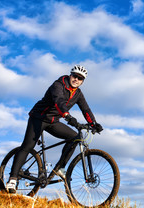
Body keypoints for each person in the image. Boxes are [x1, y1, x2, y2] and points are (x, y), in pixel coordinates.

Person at [6, 65, 103, 193]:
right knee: (28, 146)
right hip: (38, 118)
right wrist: (67, 116)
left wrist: (94, 123)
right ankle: (12, 179)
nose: (76, 80)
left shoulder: (78, 93)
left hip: (53, 121)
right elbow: (59, 102)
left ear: (82, 81)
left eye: (80, 78)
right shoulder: (58, 85)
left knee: (75, 137)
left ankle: (60, 168)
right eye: (75, 76)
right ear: (70, 75)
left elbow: (86, 109)